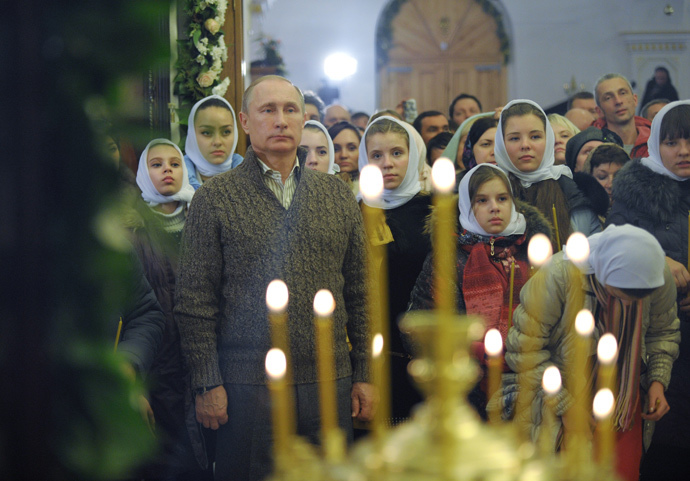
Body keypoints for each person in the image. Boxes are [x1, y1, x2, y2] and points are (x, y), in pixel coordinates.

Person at [174, 75, 374, 481]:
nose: (280, 120)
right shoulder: (214, 198)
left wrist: (366, 374)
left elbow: (362, 293)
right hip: (246, 385)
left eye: (290, 110)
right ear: (246, 122)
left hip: (329, 380)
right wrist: (206, 382)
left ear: (304, 120)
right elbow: (195, 301)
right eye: (268, 110)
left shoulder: (335, 194)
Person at [500, 224, 680, 481]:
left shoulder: (656, 272)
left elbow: (663, 332)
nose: (629, 304)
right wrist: (565, 405)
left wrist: (657, 381)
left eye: (637, 299)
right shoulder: (560, 274)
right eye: (622, 295)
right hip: (560, 396)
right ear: (605, 275)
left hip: (624, 404)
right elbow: (524, 351)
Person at [408, 163, 552, 419]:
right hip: (469, 385)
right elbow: (423, 325)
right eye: (481, 200)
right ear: (466, 205)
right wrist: (476, 350)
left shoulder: (533, 250)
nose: (494, 207)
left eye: (502, 198)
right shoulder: (448, 258)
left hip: (533, 381)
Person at [606, 100, 690, 479]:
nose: (684, 151)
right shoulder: (635, 189)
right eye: (673, 143)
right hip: (658, 334)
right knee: (665, 445)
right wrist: (658, 258)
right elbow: (614, 246)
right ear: (656, 144)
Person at [130, 139, 211, 479]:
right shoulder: (132, 225)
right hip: (158, 361)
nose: (167, 170)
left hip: (201, 358)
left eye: (175, 164)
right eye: (156, 164)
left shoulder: (204, 216)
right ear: (143, 174)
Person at [357, 115, 433, 422]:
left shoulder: (436, 211)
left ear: (412, 155)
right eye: (377, 155)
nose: (387, 163)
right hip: (370, 354)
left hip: (424, 352)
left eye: (396, 153)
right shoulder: (355, 211)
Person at [494, 99, 601, 252]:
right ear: (501, 144)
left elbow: (593, 255)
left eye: (535, 136)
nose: (525, 145)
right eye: (514, 138)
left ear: (548, 139)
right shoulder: (489, 188)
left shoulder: (570, 189)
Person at [183, 95, 243, 190]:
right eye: (206, 133)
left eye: (226, 132)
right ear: (192, 135)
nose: (217, 142)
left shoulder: (255, 180)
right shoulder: (172, 186)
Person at [593, 73, 651, 158]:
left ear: (635, 100)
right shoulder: (592, 147)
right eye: (608, 98)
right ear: (599, 111)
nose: (618, 101)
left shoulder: (655, 142)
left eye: (623, 93)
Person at [581, 143, 629, 210]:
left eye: (618, 177)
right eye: (602, 177)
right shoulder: (578, 213)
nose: (610, 185)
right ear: (589, 178)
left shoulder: (643, 214)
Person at [328, 121, 362, 195]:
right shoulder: (319, 187)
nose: (344, 155)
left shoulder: (376, 186)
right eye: (336, 149)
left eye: (351, 148)